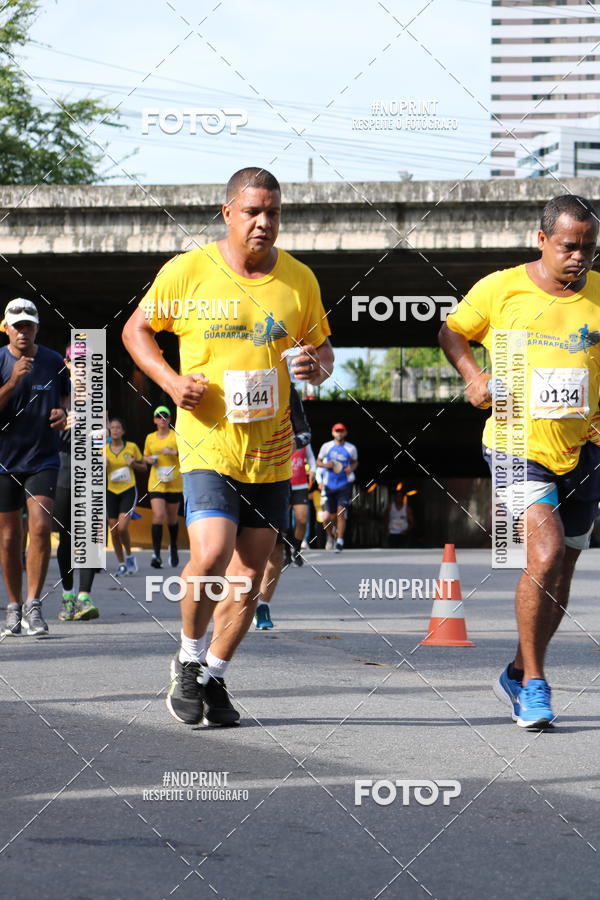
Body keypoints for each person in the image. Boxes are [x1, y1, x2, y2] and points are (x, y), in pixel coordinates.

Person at [122, 166, 333, 727]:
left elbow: (322, 353)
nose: (264, 223)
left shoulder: (300, 281)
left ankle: (214, 675)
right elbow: (135, 331)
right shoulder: (189, 271)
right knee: (211, 555)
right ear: (228, 213)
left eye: (274, 213)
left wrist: (316, 365)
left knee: (250, 582)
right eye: (253, 212)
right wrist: (170, 382)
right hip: (208, 442)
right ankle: (188, 661)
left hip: (269, 451)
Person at [439, 193, 600, 730]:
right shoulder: (501, 287)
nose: (579, 258)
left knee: (563, 569)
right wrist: (472, 376)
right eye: (569, 247)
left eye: (589, 249)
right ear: (542, 240)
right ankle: (534, 684)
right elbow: (451, 330)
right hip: (514, 444)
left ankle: (516, 669)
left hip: (585, 448)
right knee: (546, 550)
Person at [0, 299, 70, 637]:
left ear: (37, 328)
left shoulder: (54, 361)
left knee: (41, 526)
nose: (23, 330)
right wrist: (12, 382)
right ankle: (13, 605)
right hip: (4, 460)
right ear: (6, 328)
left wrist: (62, 416)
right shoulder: (0, 361)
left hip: (43, 456)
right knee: (10, 536)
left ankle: (34, 604)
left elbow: (66, 403)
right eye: (17, 325)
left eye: (29, 325)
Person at [55, 345, 99, 621]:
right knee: (66, 536)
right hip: (61, 467)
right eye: (76, 361)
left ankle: (85, 597)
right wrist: (63, 425)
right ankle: (68, 596)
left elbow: (104, 433)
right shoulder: (57, 393)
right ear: (67, 362)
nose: (81, 366)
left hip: (90, 470)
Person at [143, 405, 183, 569]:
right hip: (156, 482)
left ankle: (173, 547)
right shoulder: (150, 437)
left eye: (165, 416)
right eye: (159, 416)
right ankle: (156, 554)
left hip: (174, 482)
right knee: (158, 515)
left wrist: (174, 453)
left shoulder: (176, 436)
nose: (162, 419)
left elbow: (188, 453)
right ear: (154, 420)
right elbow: (145, 455)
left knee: (172, 519)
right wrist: (149, 460)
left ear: (170, 419)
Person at [106, 418, 145, 576]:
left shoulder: (131, 447)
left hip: (128, 490)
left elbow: (144, 467)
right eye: (112, 427)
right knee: (114, 530)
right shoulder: (103, 450)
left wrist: (133, 464)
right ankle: (121, 563)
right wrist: (102, 466)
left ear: (123, 431)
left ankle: (129, 556)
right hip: (110, 491)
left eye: (118, 428)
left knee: (122, 527)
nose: (114, 430)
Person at [317, 424, 358, 552]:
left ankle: (340, 541)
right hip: (329, 485)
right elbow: (318, 461)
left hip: (344, 484)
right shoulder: (326, 446)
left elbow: (355, 461)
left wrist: (351, 468)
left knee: (341, 512)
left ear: (345, 433)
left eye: (341, 431)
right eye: (337, 431)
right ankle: (331, 536)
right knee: (327, 518)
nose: (339, 433)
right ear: (333, 433)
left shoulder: (351, 448)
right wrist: (325, 464)